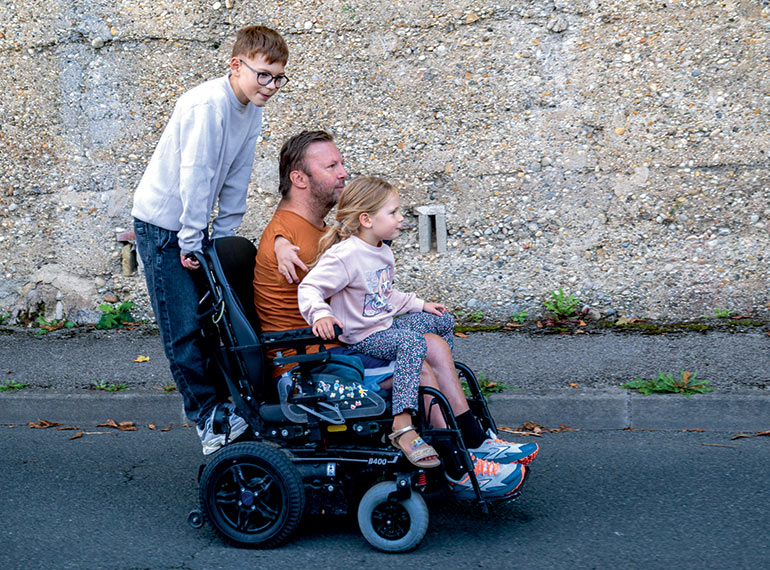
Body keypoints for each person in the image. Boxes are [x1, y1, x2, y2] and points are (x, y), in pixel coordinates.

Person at [253, 131, 538, 497]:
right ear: (299, 179)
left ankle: (474, 439)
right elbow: (288, 249)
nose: (344, 172)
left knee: (433, 337)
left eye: (341, 163)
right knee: (417, 357)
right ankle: (457, 466)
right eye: (332, 166)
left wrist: (419, 305)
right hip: (313, 362)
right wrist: (279, 247)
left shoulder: (330, 233)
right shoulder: (288, 235)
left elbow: (373, 292)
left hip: (340, 345)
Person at [132, 25, 290, 455]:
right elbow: (196, 177)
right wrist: (190, 242)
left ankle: (232, 409)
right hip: (164, 225)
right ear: (236, 65)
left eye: (279, 78)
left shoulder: (251, 109)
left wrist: (220, 245)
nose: (271, 86)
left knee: (214, 322)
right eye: (263, 75)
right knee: (183, 327)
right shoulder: (207, 105)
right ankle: (208, 419)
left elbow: (236, 179)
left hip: (192, 227)